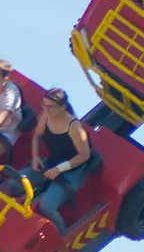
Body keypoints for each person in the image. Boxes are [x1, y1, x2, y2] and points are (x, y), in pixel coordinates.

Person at [19, 87, 93, 233]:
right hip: (51, 163)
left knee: (46, 207)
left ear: (63, 107)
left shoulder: (74, 127)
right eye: (44, 105)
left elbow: (85, 155)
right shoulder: (46, 116)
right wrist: (36, 157)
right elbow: (37, 135)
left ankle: (61, 234)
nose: (46, 110)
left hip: (72, 172)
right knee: (14, 183)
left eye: (51, 107)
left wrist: (60, 169)